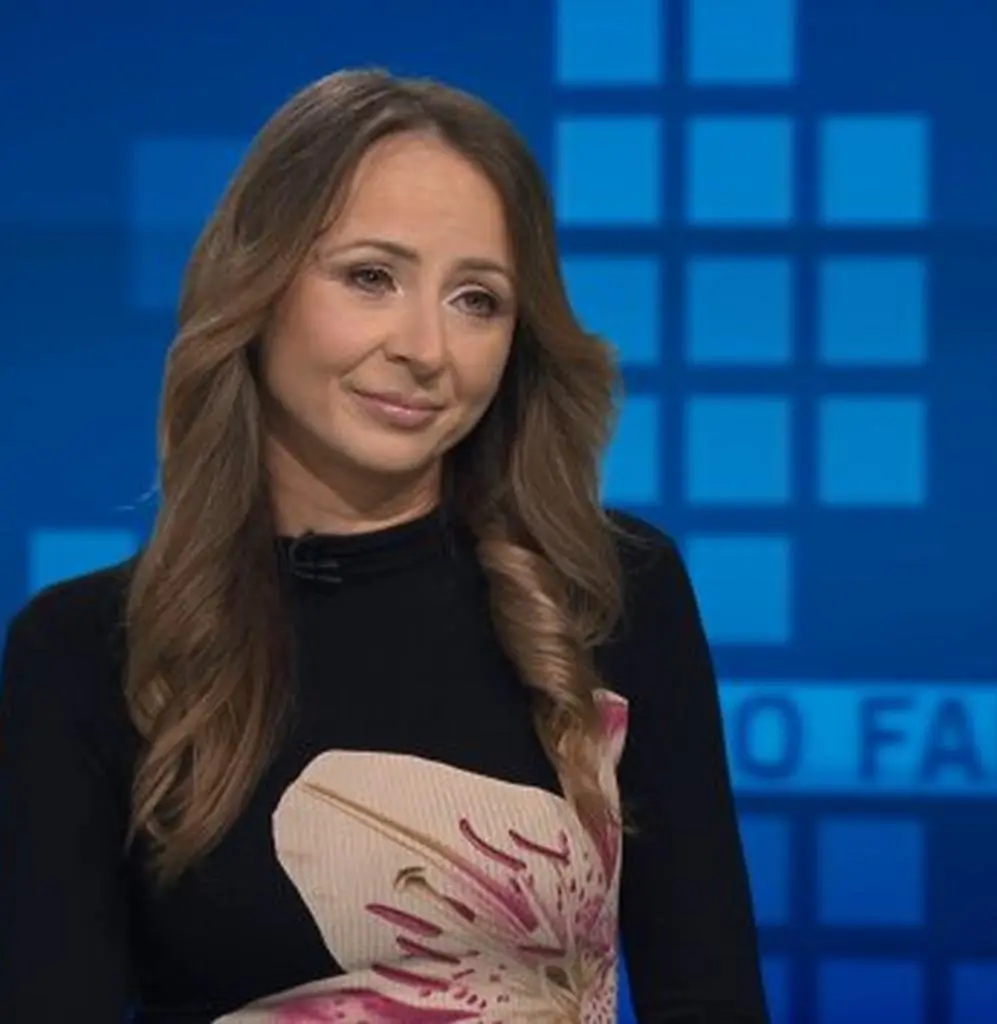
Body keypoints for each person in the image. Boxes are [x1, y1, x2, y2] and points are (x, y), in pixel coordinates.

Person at [0, 68, 768, 1023]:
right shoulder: (84, 652)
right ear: (259, 286)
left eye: (477, 299)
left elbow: (710, 992)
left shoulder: (611, 592)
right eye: (372, 277)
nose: (425, 349)